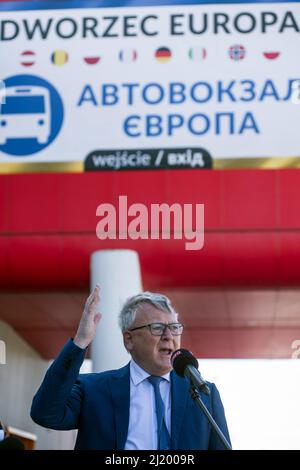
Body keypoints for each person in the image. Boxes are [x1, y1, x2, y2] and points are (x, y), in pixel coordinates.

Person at [31, 285, 231, 450]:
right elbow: (45, 413)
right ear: (129, 340)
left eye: (174, 327)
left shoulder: (204, 393)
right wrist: (80, 343)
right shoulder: (94, 389)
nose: (169, 336)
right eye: (158, 328)